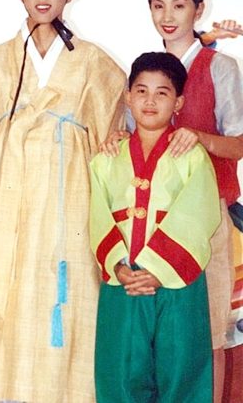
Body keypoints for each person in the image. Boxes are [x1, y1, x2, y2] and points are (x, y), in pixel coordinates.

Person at [0, 0, 125, 402]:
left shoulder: (96, 65)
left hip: (69, 204)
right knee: (6, 299)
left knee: (67, 301)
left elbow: (110, 146)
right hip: (4, 206)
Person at [101, 0, 243, 402]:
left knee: (207, 331)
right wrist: (115, 139)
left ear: (198, 9)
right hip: (145, 223)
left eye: (179, 5)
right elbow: (129, 141)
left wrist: (199, 137)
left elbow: (238, 144)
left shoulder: (220, 66)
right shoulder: (144, 70)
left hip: (205, 217)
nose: (168, 15)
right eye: (158, 6)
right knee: (149, 338)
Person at [90, 51, 221, 402]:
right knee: (120, 371)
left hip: (177, 281)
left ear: (178, 102)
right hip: (124, 282)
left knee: (182, 371)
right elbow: (98, 216)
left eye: (162, 93)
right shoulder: (106, 159)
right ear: (128, 97)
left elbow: (199, 215)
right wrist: (119, 266)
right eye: (141, 91)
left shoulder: (191, 156)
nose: (150, 101)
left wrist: (159, 269)